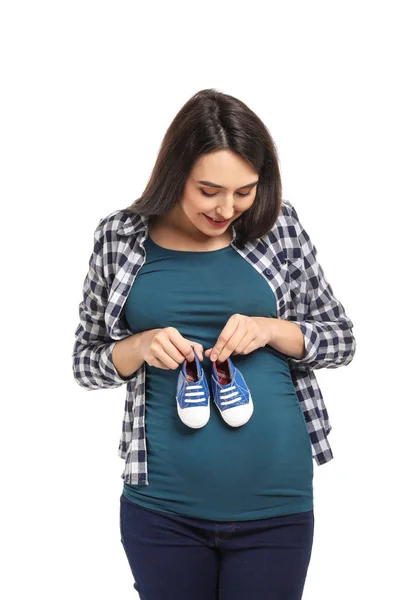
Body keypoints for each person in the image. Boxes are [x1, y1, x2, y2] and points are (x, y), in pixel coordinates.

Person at [72, 88, 356, 600]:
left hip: (277, 505)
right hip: (162, 511)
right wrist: (139, 345)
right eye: (209, 190)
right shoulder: (119, 237)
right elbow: (85, 363)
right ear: (173, 173)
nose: (228, 207)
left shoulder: (280, 227)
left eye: (245, 190)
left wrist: (271, 330)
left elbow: (341, 339)